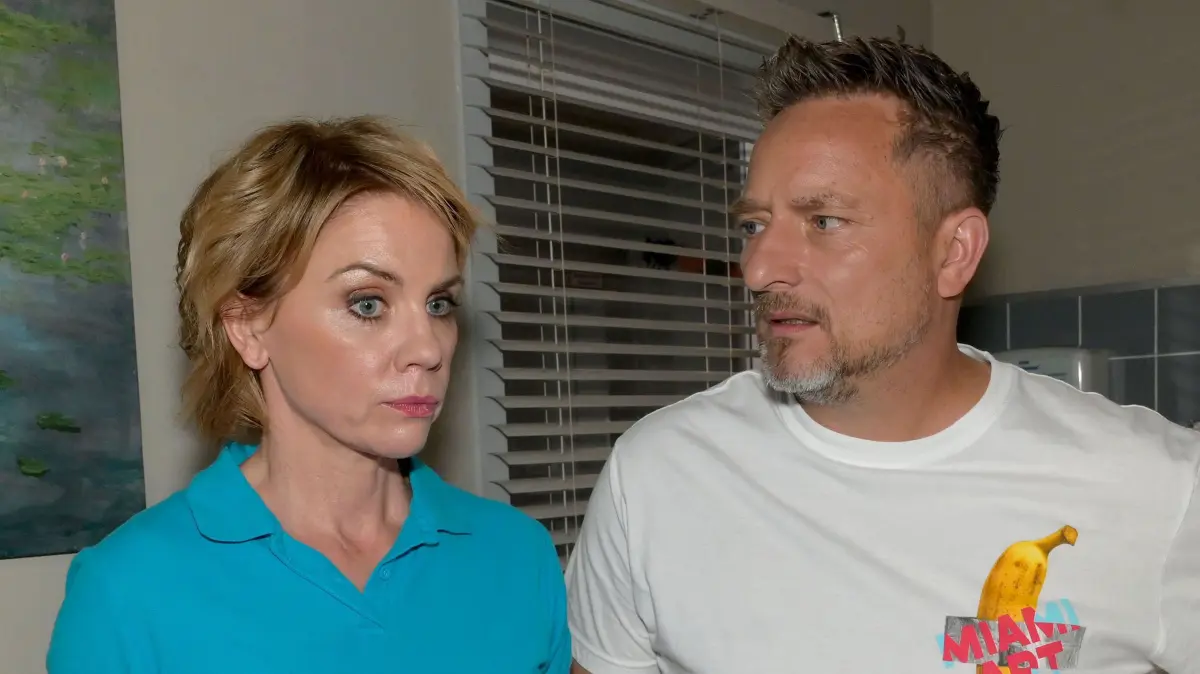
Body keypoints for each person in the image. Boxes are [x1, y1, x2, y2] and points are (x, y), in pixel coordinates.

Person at [564, 36, 1199, 674]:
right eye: (754, 225)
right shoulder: (656, 474)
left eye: (824, 221)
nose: (758, 269)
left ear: (953, 252)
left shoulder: (1160, 490)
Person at [47, 116, 571, 673]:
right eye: (367, 303)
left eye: (438, 304)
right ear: (247, 326)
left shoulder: (516, 556)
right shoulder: (128, 592)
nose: (427, 348)